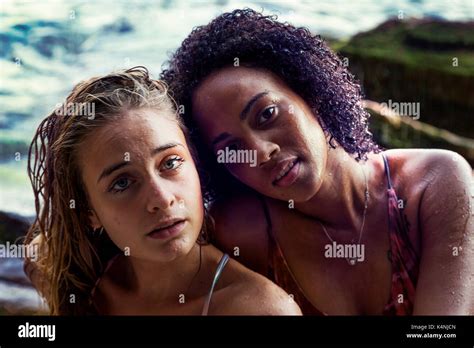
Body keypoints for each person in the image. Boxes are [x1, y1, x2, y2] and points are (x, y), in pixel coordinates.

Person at [161, 9, 474, 315]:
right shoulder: (241, 232)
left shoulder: (432, 183)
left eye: (267, 114)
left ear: (310, 91)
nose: (261, 151)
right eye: (231, 147)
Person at [24, 66, 302, 316]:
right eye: (122, 182)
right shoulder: (74, 279)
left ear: (195, 164)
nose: (162, 199)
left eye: (170, 162)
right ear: (88, 213)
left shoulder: (258, 309)